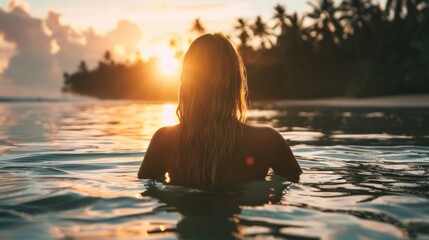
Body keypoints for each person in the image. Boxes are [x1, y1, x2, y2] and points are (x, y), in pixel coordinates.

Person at [138, 33, 302, 186]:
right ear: (236, 82)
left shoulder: (164, 140)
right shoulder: (267, 141)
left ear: (186, 83)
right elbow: (294, 189)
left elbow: (148, 195)